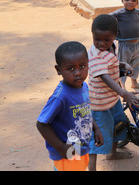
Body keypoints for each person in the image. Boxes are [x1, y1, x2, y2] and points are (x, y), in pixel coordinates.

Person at [36, 41, 103, 171]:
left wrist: (96, 128)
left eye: (82, 66)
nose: (78, 72)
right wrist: (61, 148)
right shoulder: (60, 97)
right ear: (58, 70)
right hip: (68, 150)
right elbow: (41, 124)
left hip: (80, 146)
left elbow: (85, 112)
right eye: (70, 69)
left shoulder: (83, 86)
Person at [87, 14, 139, 171]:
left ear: (115, 36)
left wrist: (124, 65)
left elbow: (112, 62)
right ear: (92, 34)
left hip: (112, 99)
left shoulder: (113, 46)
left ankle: (112, 153)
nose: (101, 44)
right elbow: (104, 77)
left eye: (106, 40)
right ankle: (92, 168)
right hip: (99, 105)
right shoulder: (95, 55)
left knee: (118, 126)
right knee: (98, 137)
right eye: (97, 39)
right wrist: (124, 93)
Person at [110, 0, 139, 91]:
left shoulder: (137, 12)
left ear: (137, 2)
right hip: (124, 44)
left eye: (133, 0)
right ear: (122, 1)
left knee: (136, 64)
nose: (130, 2)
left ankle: (134, 82)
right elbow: (108, 18)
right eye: (127, 0)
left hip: (137, 44)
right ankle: (122, 87)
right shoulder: (119, 13)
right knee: (123, 66)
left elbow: (134, 23)